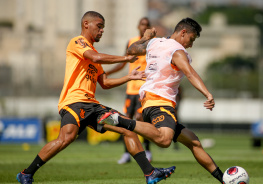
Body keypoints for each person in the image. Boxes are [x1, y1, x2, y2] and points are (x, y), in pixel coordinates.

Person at [16, 11, 175, 184]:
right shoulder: (77, 42)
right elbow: (96, 57)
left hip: (93, 106)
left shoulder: (93, 52)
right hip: (74, 102)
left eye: (103, 28)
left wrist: (129, 77)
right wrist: (126, 58)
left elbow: (105, 83)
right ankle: (26, 173)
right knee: (66, 138)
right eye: (99, 26)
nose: (102, 31)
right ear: (86, 24)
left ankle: (150, 173)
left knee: (127, 127)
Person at [98, 17, 224, 183]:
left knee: (194, 142)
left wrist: (145, 37)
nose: (191, 45)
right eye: (191, 39)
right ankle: (120, 120)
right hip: (160, 102)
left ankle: (223, 179)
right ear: (183, 32)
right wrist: (208, 94)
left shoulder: (155, 42)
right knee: (164, 140)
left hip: (149, 101)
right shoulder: (177, 51)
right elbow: (190, 73)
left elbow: (132, 50)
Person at [106, 17, 152, 164]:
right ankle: (126, 153)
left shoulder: (152, 43)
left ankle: (147, 150)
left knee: (141, 120)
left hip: (144, 89)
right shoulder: (131, 42)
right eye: (142, 25)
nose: (144, 27)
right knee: (126, 121)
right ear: (138, 26)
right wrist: (109, 73)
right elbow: (125, 61)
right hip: (130, 89)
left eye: (147, 25)